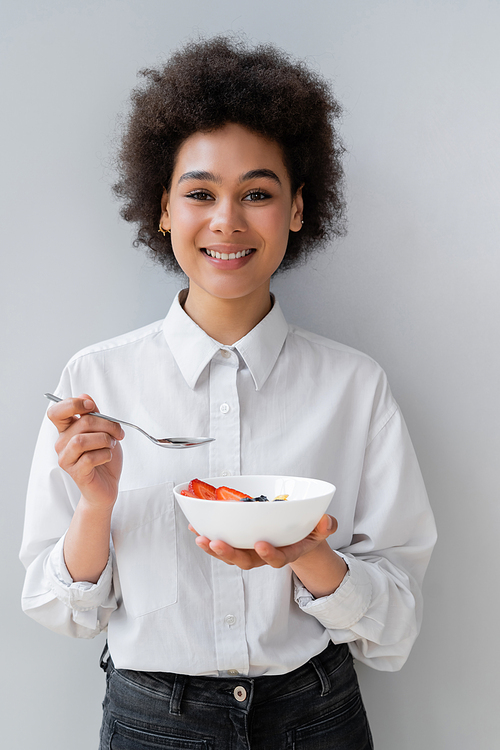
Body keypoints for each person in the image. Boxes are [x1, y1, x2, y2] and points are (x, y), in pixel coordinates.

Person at [20, 36, 436, 750]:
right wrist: (95, 505)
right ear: (162, 209)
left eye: (258, 194)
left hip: (317, 717)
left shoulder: (354, 387)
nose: (227, 221)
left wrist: (308, 553)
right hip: (151, 722)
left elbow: (396, 624)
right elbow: (62, 611)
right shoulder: (96, 383)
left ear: (299, 209)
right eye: (201, 193)